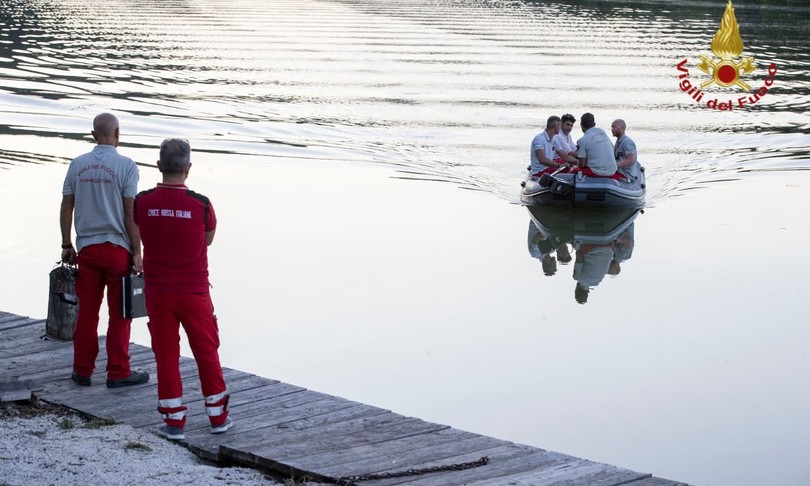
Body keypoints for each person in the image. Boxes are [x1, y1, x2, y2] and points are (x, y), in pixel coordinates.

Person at [134, 138, 232, 440]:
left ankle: (174, 421)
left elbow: (142, 232)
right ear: (188, 169)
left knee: (165, 353)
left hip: (158, 291)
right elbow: (208, 239)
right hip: (194, 292)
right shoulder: (201, 204)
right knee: (206, 351)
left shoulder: (142, 201)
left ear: (159, 166)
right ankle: (218, 417)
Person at [60, 112, 149, 389]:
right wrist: (137, 251)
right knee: (120, 313)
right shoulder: (127, 166)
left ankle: (82, 371)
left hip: (87, 249)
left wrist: (66, 243)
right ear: (118, 134)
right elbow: (129, 211)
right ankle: (118, 372)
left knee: (87, 313)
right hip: (117, 250)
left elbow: (66, 206)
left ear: (93, 135)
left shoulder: (77, 165)